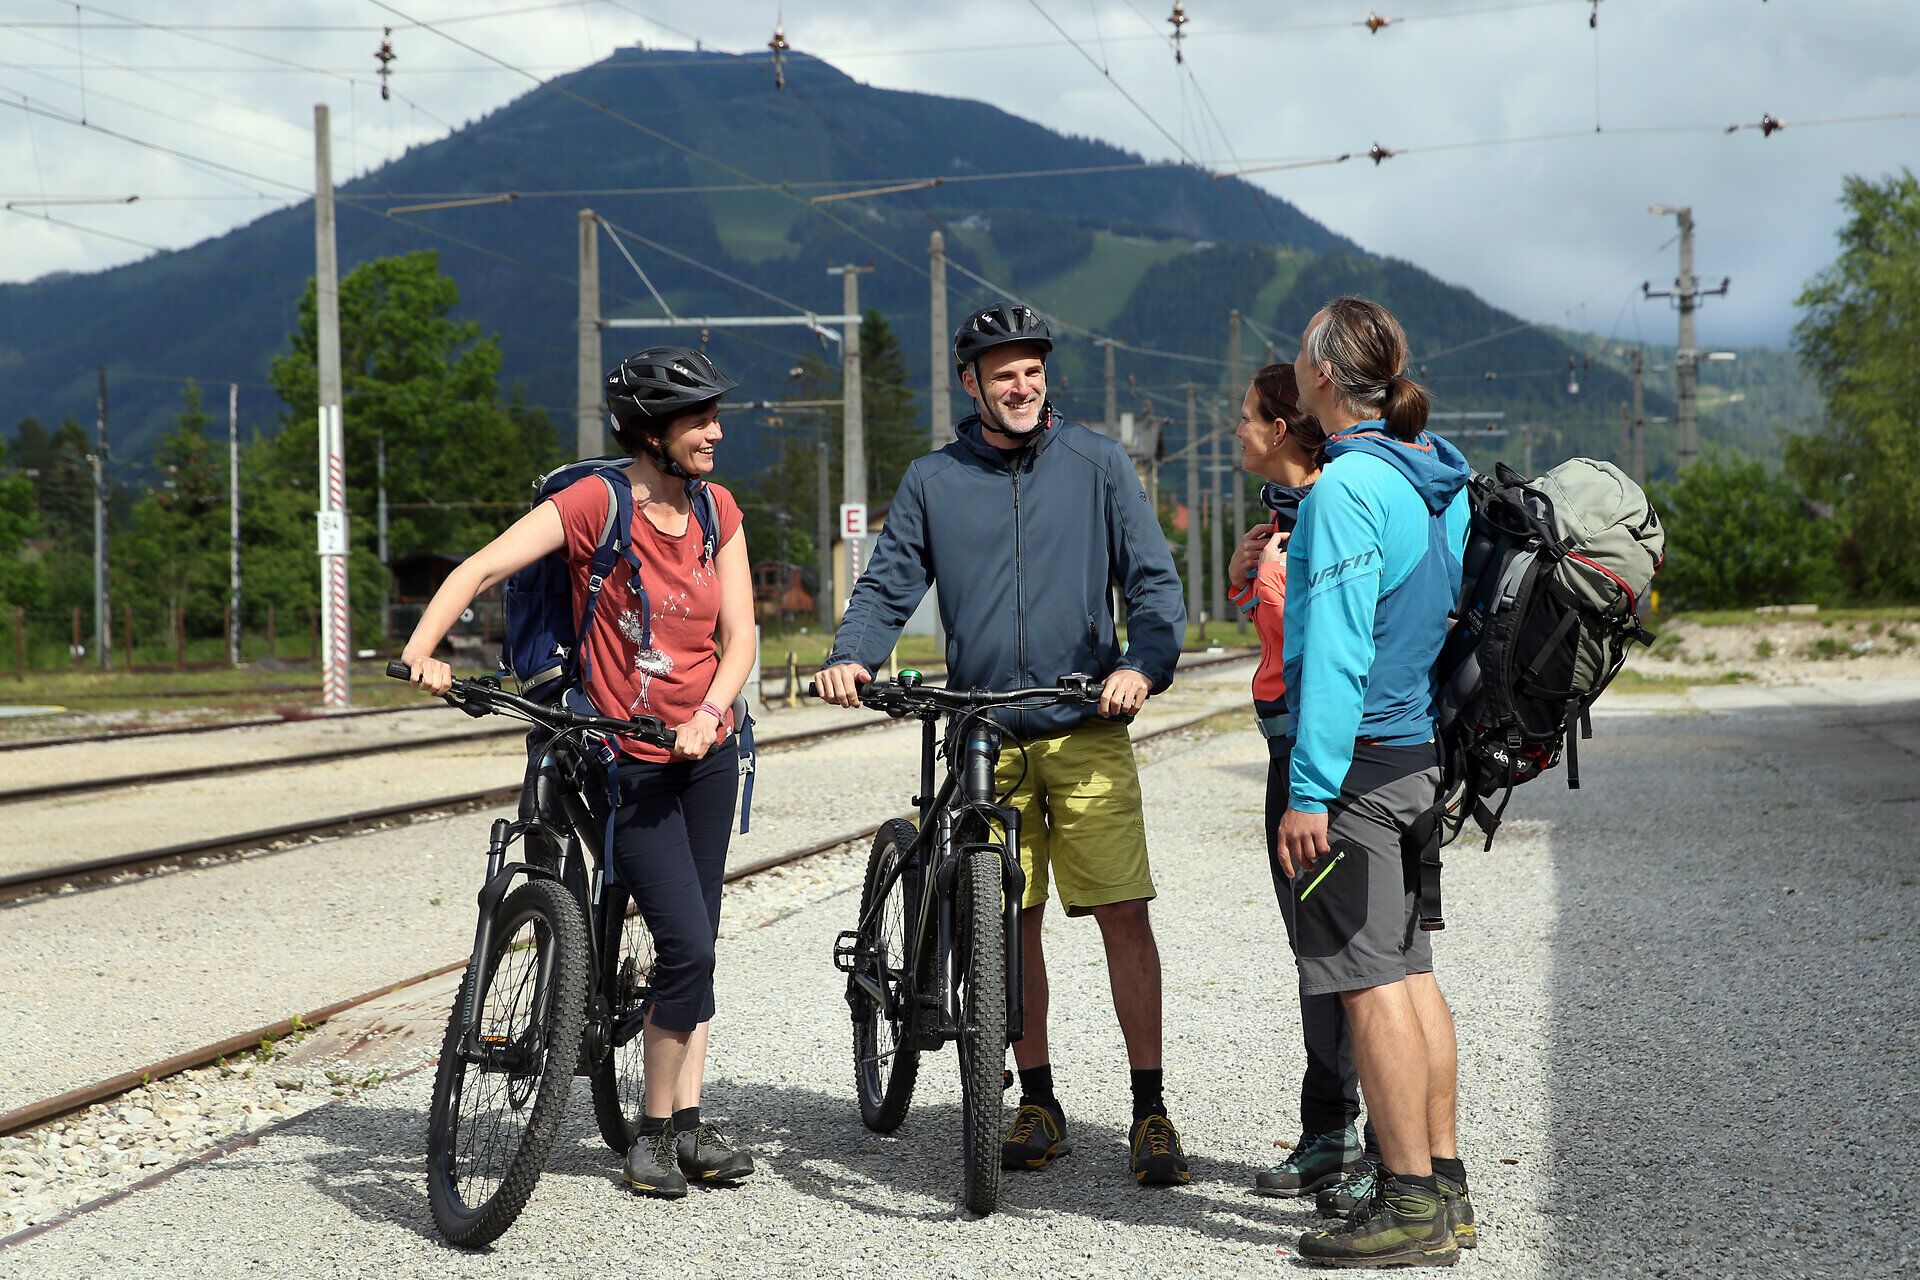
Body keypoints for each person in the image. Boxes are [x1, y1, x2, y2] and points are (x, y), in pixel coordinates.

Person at [815, 302, 1192, 1186]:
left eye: (1032, 371)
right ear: (971, 382)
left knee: (1123, 915)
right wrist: (848, 657)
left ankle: (1150, 1109)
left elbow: (1151, 580)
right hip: (983, 727)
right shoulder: (932, 480)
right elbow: (887, 585)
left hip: (1085, 725)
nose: (1021, 387)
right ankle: (1037, 1098)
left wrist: (1144, 664)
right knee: (1004, 924)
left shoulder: (1098, 463)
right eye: (1003, 374)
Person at [398, 346, 758, 1202]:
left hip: (707, 752)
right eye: (696, 419)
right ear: (647, 432)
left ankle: (690, 1119)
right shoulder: (596, 503)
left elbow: (739, 635)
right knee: (689, 943)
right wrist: (424, 649)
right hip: (626, 756)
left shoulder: (718, 511)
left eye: (714, 415)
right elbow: (484, 566)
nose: (714, 431)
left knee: (695, 942)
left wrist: (712, 714)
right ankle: (654, 1135)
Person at [1271, 297, 1475, 1267]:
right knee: (1413, 971)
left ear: (1319, 376)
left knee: (1368, 983)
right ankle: (1443, 1183)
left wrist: (1308, 788)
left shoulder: (1348, 488)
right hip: (1419, 757)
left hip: (1359, 768)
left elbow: (1340, 653)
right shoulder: (1438, 473)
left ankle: (1406, 1202)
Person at [1220, 364, 1375, 1201]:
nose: (1235, 430)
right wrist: (1249, 575)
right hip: (1293, 752)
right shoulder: (1285, 518)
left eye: (1246, 417)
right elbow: (1282, 636)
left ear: (1282, 429)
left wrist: (1311, 787)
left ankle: (1374, 1147)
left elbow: (1335, 655)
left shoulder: (1327, 510)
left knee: (1352, 957)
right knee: (1319, 953)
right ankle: (1330, 1129)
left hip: (1323, 762)